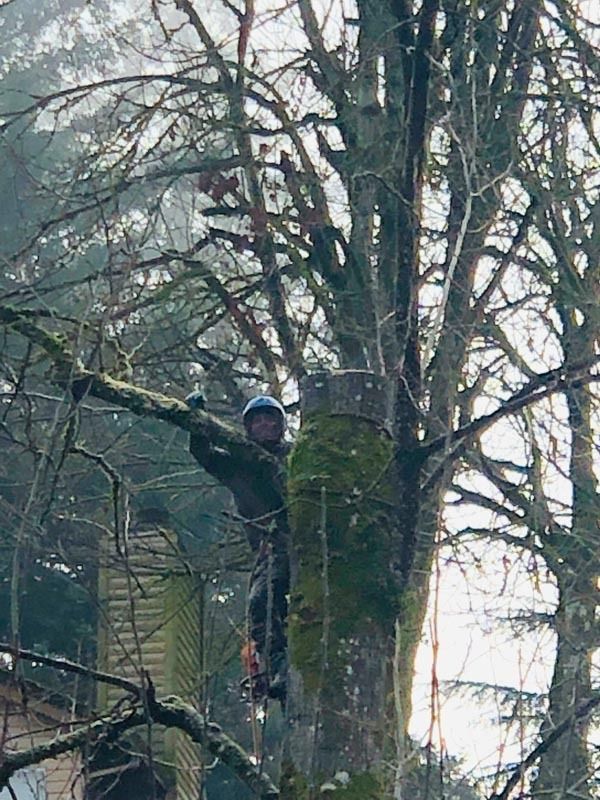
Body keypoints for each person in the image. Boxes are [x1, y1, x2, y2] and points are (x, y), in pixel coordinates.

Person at [240, 396, 289, 704]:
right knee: (261, 603)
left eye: (271, 419)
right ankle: (276, 665)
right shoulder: (242, 464)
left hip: (297, 546)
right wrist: (196, 428)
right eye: (258, 420)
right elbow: (210, 459)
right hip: (268, 550)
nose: (265, 425)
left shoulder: (294, 457)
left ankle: (284, 664)